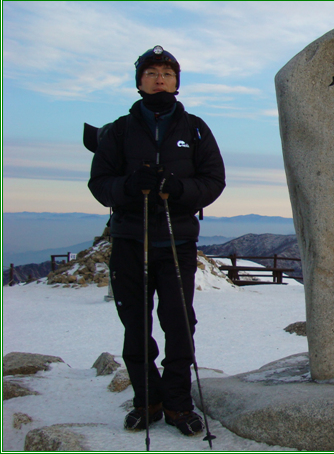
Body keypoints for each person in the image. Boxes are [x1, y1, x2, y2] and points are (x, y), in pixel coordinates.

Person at [88, 45, 226, 436]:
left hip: (177, 243)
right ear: (139, 82)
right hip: (131, 241)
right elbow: (100, 184)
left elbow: (213, 181)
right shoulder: (117, 130)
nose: (160, 77)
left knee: (180, 324)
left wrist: (178, 189)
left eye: (167, 72)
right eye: (151, 72)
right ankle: (146, 400)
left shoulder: (196, 128)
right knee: (135, 324)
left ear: (177, 82)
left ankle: (179, 404)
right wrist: (129, 187)